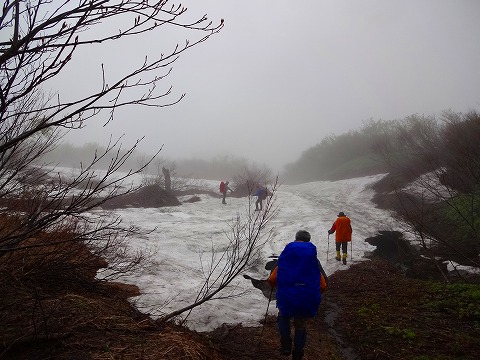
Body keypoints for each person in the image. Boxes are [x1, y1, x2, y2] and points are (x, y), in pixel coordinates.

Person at [267, 230, 328, 360]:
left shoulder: (285, 257)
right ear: (308, 241)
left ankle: (286, 345)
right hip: (305, 300)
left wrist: (275, 286)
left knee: (283, 317)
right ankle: (298, 353)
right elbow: (323, 285)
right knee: (300, 324)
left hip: (286, 298)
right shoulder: (313, 260)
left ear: (296, 239)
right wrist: (314, 295)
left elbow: (272, 279)